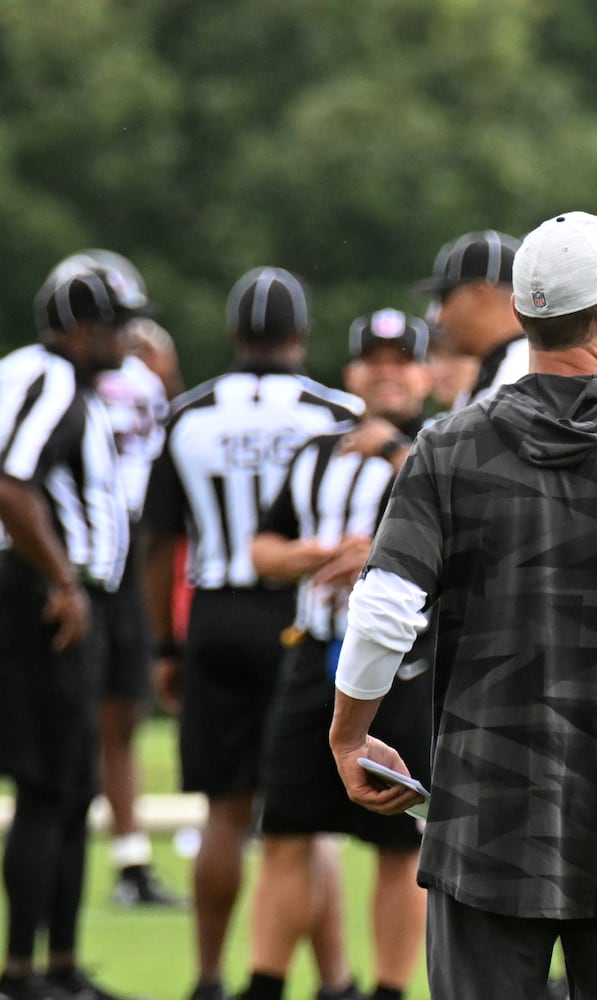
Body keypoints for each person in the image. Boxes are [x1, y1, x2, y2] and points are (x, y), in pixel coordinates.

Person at [328, 210, 597, 1000]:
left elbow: (383, 609)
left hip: (485, 823)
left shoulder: (447, 448)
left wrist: (349, 731)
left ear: (526, 316)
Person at [141, 266, 364, 1000]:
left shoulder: (188, 414)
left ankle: (208, 975)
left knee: (223, 810)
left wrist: (163, 646)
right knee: (301, 819)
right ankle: (334, 980)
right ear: (300, 335)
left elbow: (161, 542)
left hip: (216, 614)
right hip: (301, 616)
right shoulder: (336, 412)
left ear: (235, 333)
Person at [239, 308, 437, 1000]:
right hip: (312, 652)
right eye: (373, 358)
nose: (387, 370)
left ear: (425, 371)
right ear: (351, 372)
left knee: (398, 842)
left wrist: (389, 455)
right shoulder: (315, 451)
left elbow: (465, 528)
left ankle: (388, 990)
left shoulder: (443, 447)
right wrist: (317, 555)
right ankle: (264, 984)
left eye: (402, 358)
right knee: (288, 828)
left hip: (406, 669)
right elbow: (262, 550)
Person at [0, 259, 147, 1000]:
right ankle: (24, 972)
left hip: (56, 591)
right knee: (47, 785)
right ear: (83, 330)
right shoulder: (52, 380)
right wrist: (62, 579)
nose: (127, 339)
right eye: (118, 325)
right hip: (39, 596)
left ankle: (58, 966)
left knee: (70, 784)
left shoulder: (41, 376)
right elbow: (9, 482)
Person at [45, 252, 187, 911]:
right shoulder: (55, 380)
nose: (128, 333)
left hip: (128, 546)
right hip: (73, 555)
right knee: (66, 717)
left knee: (121, 712)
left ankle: (129, 859)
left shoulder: (142, 374)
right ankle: (64, 848)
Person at [413, 229, 528, 409]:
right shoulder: (498, 369)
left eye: (445, 298)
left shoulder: (524, 372)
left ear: (479, 294)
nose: (440, 317)